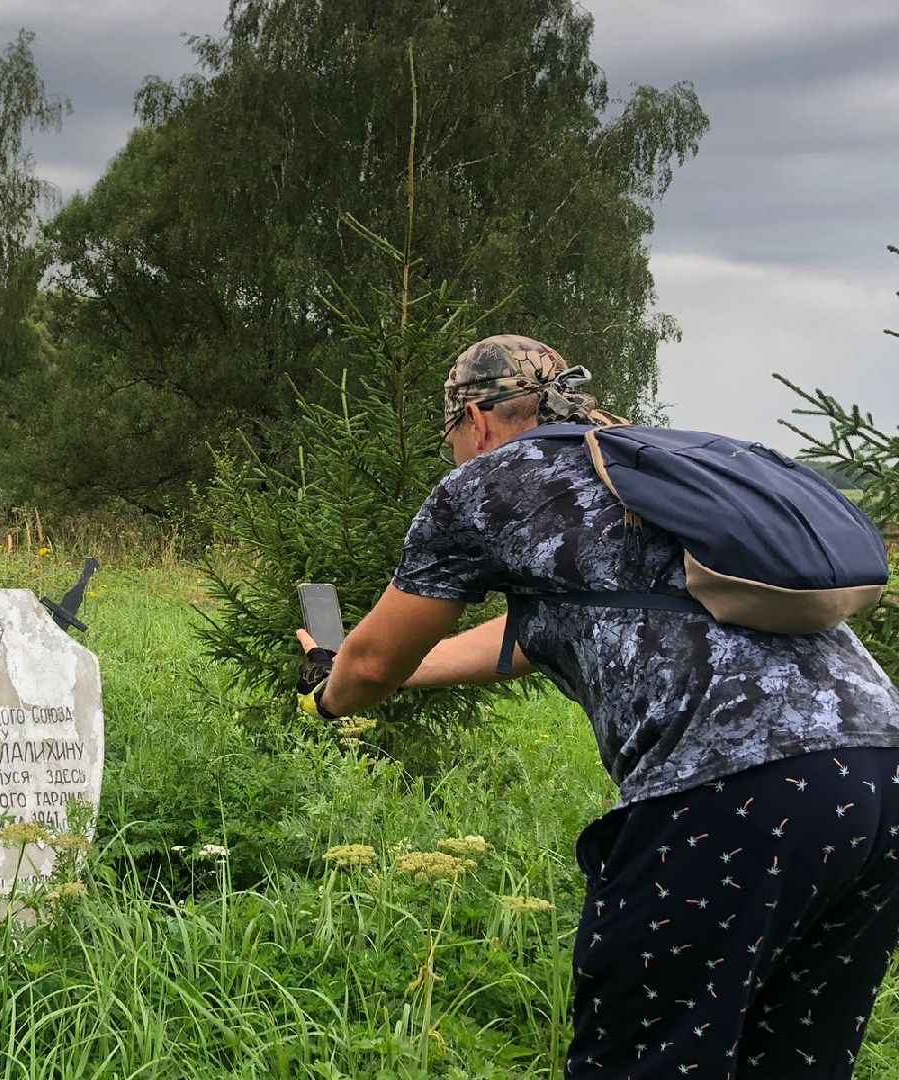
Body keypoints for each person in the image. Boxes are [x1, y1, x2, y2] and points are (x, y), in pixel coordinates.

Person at [295, 334, 899, 1078]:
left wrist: (328, 692)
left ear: (476, 420)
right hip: (880, 773)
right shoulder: (643, 470)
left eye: (451, 436)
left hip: (734, 788)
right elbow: (535, 634)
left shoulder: (486, 484)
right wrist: (407, 675)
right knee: (793, 1058)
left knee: (643, 1059)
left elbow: (374, 659)